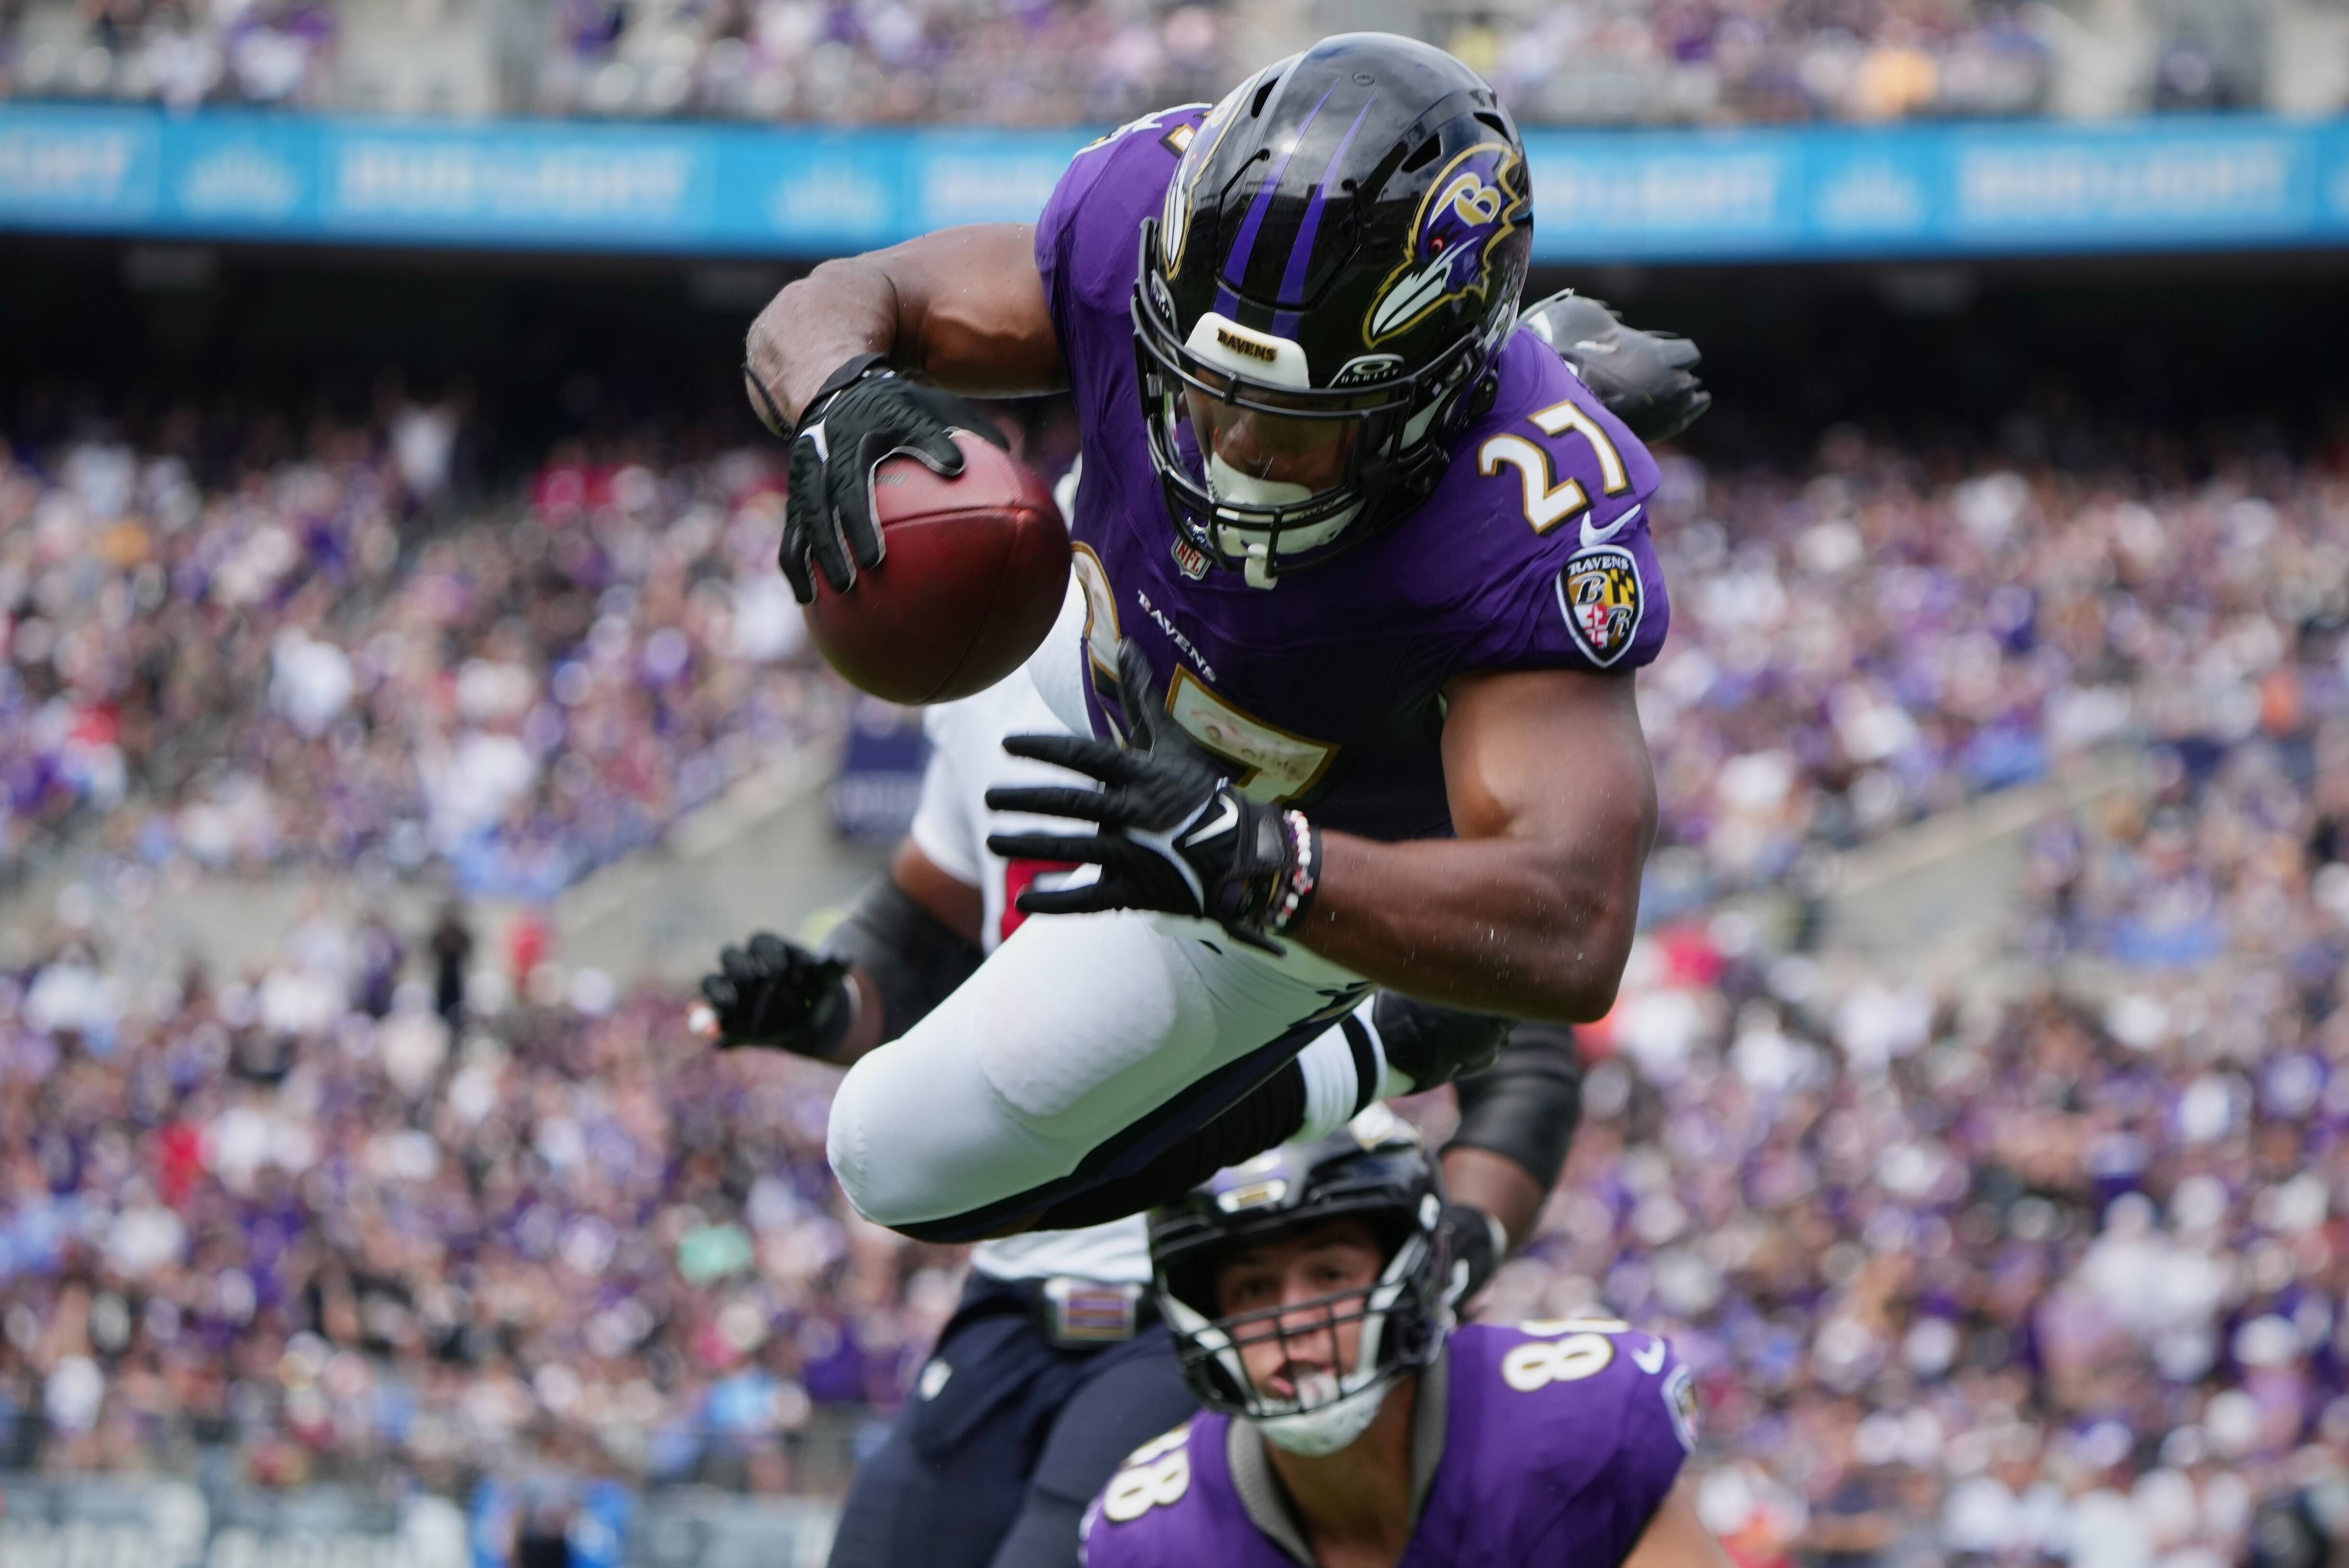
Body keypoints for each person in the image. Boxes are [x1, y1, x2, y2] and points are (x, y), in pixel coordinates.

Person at [743, 34, 1686, 1242]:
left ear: (1435, 392)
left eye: (1296, 423)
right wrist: (839, 394)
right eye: (1206, 388)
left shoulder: (1521, 515)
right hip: (1125, 653)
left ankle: (1378, 1040)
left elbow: (1574, 921)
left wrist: (1264, 864)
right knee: (969, 581)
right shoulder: (1140, 228)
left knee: (893, 1158)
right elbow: (828, 302)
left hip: (1299, 851)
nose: (1235, 448)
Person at [698, 658, 1589, 1568]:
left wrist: (1468, 1232)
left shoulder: (1274, 622)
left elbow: (1510, 1020)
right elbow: (921, 945)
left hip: (1219, 1280)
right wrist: (828, 1005)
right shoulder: (978, 665)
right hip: (1014, 1279)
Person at [1078, 1114, 1734, 1568]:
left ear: (1414, 1270)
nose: (1293, 1319)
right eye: (1252, 1289)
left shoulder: (1576, 1424)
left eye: (1330, 1274)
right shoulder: (1155, 1534)